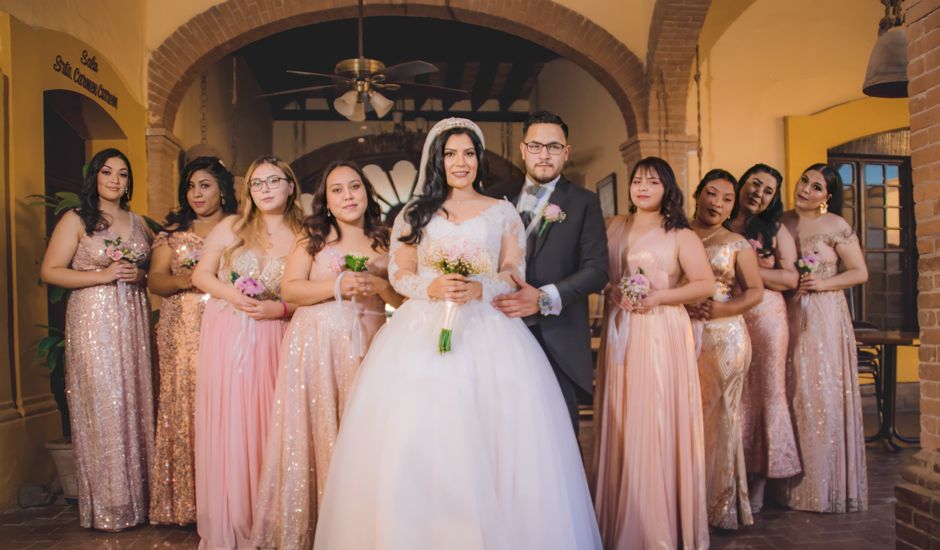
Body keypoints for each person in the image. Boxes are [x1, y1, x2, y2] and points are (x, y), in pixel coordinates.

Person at [313, 118, 602, 550]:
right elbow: (399, 270)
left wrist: (482, 286)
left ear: (479, 159)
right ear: (437, 159)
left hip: (489, 330)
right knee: (419, 435)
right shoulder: (415, 213)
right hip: (422, 330)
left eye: (468, 153)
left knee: (497, 440)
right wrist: (428, 286)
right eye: (450, 154)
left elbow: (512, 272)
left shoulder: (502, 210)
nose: (460, 162)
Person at [252, 161, 401, 549]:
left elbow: (403, 301)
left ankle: (356, 529)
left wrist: (380, 285)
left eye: (355, 187)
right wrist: (338, 283)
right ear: (326, 201)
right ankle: (310, 526)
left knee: (361, 433)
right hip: (315, 346)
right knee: (315, 431)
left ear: (368, 194)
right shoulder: (313, 237)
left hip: (369, 348)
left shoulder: (388, 241)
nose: (348, 195)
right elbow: (290, 291)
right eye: (338, 190)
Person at [593, 156, 713, 549]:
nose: (643, 187)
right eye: (638, 180)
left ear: (668, 190)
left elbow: (703, 285)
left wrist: (658, 296)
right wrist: (613, 292)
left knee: (656, 418)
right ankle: (620, 520)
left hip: (661, 332)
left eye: (653, 182)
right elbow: (604, 277)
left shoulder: (680, 234)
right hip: (620, 331)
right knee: (622, 418)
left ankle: (658, 528)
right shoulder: (614, 226)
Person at [192, 155, 304, 549]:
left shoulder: (306, 234)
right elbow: (201, 274)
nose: (266, 188)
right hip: (230, 332)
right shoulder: (231, 227)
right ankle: (236, 518)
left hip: (278, 332)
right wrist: (235, 296)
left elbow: (311, 289)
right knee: (235, 422)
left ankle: (273, 518)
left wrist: (282, 309)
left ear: (291, 186)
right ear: (248, 191)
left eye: (275, 180)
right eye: (258, 183)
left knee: (275, 421)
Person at [40, 148, 153, 531]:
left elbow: (151, 271)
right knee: (103, 402)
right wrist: (103, 277)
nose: (115, 180)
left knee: (134, 398)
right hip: (93, 318)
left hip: (133, 320)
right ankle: (110, 504)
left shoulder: (138, 222)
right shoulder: (76, 219)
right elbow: (51, 271)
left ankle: (140, 500)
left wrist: (139, 277)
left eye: (123, 174)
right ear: (95, 176)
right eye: (107, 172)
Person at [491, 111, 608, 436]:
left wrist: (543, 298)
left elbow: (597, 269)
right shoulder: (494, 197)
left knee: (559, 437)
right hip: (499, 332)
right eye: (537, 146)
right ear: (523, 149)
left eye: (554, 147)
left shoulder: (585, 202)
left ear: (566, 152)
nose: (545, 154)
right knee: (503, 431)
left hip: (559, 337)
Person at [148, 156, 236, 526]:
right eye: (191, 186)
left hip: (225, 323)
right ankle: (182, 503)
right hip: (181, 327)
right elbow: (155, 281)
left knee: (223, 402)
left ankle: (224, 499)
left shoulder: (237, 230)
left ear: (222, 190)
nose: (196, 194)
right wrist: (192, 279)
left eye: (205, 185)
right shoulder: (173, 233)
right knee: (183, 405)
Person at [777, 164, 869, 513]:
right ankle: (785, 486)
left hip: (825, 315)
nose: (806, 189)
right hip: (789, 311)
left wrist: (822, 284)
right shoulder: (781, 220)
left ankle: (822, 486)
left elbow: (860, 272)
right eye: (804, 180)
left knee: (820, 392)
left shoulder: (836, 225)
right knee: (790, 390)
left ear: (827, 196)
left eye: (816, 187)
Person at [687, 169, 763, 529]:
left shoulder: (736, 242)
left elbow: (755, 291)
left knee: (721, 418)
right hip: (681, 334)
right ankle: (686, 499)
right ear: (697, 194)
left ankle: (720, 507)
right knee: (686, 417)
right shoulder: (677, 234)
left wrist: (720, 309)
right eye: (712, 193)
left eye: (727, 198)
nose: (718, 202)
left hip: (725, 336)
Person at [727, 163, 801, 513]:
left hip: (768, 319)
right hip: (729, 316)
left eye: (767, 190)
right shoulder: (722, 224)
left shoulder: (775, 229)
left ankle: (761, 481)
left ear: (773, 199)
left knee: (767, 393)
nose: (758, 193)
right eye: (754, 184)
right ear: (741, 184)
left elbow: (790, 279)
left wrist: (751, 271)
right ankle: (729, 474)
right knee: (733, 396)